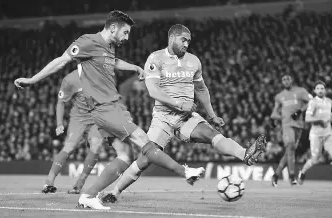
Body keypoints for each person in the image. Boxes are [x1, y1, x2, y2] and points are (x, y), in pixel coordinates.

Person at [15, 10, 205, 210]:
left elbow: (112, 62)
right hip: (104, 108)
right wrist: (32, 80)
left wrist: (134, 68)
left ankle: (88, 196)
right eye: (125, 32)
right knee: (144, 141)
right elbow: (61, 60)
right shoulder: (88, 42)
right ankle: (184, 172)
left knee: (124, 156)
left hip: (111, 107)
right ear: (113, 28)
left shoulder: (109, 47)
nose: (127, 37)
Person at [99, 24, 267, 203]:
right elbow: (153, 91)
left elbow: (201, 89)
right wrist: (179, 103)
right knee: (145, 159)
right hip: (163, 118)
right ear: (172, 38)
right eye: (183, 40)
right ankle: (114, 192)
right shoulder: (156, 58)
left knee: (213, 134)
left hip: (186, 117)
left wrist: (211, 115)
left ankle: (245, 155)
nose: (187, 44)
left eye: (189, 41)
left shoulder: (194, 61)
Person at [42, 70, 103, 194]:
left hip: (97, 118)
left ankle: (79, 184)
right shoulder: (70, 80)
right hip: (78, 120)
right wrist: (59, 123)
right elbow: (61, 101)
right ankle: (49, 182)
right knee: (69, 147)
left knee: (96, 146)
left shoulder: (102, 74)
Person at [297, 81, 332, 189]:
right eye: (318, 88)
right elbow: (307, 118)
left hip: (328, 134)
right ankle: (302, 172)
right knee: (315, 159)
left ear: (325, 90)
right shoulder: (313, 102)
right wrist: (319, 120)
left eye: (322, 88)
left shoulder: (329, 101)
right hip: (316, 135)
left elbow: (329, 113)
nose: (320, 90)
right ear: (315, 91)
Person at [270, 74, 312, 186]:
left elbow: (311, 102)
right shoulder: (279, 96)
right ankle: (292, 176)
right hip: (287, 125)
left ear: (291, 80)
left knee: (290, 151)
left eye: (288, 79)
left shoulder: (300, 91)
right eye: (283, 79)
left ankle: (276, 175)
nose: (286, 81)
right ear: (282, 82)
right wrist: (278, 119)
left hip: (299, 125)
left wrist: (300, 111)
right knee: (291, 145)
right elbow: (274, 113)